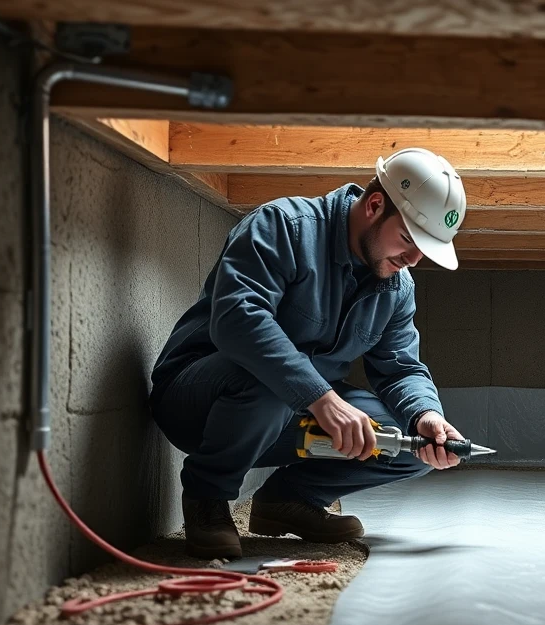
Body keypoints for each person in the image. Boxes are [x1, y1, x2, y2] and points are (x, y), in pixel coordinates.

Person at [148, 148, 467, 559]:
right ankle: (206, 498)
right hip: (199, 400)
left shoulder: (396, 287)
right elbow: (237, 320)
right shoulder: (284, 226)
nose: (414, 259)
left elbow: (401, 366)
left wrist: (427, 415)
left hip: (287, 413)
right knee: (270, 379)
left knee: (406, 442)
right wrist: (321, 397)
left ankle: (287, 501)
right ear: (374, 206)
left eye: (426, 249)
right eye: (408, 239)